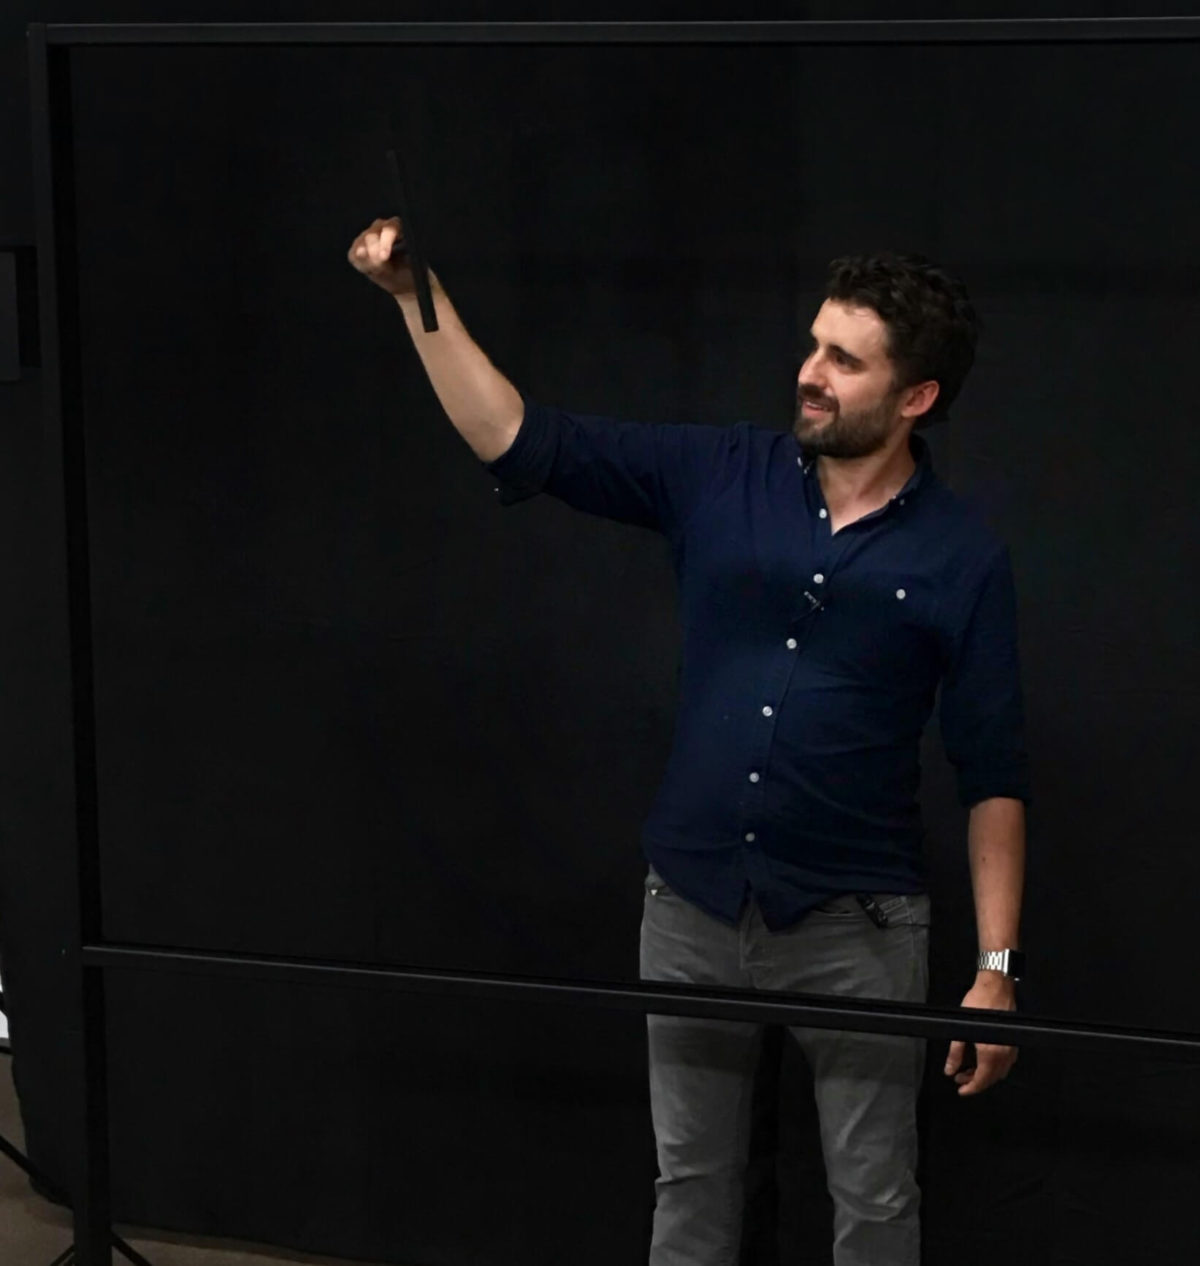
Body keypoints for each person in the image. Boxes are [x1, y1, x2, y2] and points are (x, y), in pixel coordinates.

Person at [348, 217, 1029, 1266]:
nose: (810, 373)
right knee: (692, 1188)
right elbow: (522, 439)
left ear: (916, 397)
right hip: (693, 907)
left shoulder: (962, 558)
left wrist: (995, 968)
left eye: (844, 360)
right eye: (813, 344)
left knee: (876, 1199)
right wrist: (412, 296)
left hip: (859, 925)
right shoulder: (720, 473)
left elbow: (994, 772)